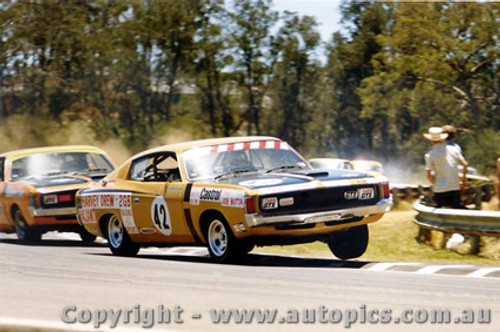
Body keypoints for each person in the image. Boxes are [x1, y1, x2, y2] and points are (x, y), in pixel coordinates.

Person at [424, 126, 468, 208]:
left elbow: (429, 175)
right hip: (455, 187)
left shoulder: (429, 155)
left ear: (430, 140)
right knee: (456, 208)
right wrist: (463, 182)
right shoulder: (454, 150)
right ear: (443, 138)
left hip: (440, 189)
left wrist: (435, 183)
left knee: (442, 209)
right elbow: (465, 164)